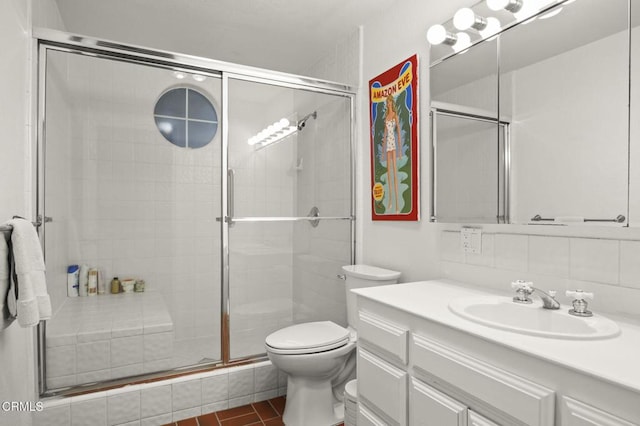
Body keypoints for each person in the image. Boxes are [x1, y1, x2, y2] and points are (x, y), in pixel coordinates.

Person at [382, 95, 402, 213]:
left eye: (390, 102)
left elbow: (398, 132)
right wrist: (383, 152)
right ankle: (390, 201)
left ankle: (397, 204)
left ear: (392, 102)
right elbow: (385, 135)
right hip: (388, 144)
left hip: (393, 143)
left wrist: (399, 150)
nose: (388, 104)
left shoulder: (394, 115)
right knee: (389, 174)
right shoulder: (386, 117)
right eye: (387, 102)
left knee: (395, 172)